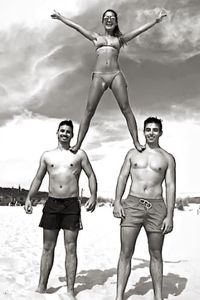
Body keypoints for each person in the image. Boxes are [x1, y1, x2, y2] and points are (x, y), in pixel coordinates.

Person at [51, 9, 167, 153]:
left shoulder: (120, 40)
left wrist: (155, 21)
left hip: (115, 75)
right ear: (103, 21)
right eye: (106, 17)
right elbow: (77, 27)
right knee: (88, 110)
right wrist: (61, 17)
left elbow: (139, 31)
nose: (109, 19)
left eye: (112, 17)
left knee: (126, 109)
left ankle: (136, 142)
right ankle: (78, 144)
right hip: (99, 75)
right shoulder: (95, 37)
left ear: (116, 21)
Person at [24, 119, 97, 300]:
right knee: (48, 247)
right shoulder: (47, 156)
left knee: (70, 248)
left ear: (72, 135)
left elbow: (91, 175)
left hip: (71, 205)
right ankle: (41, 287)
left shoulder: (79, 155)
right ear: (57, 133)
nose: (65, 134)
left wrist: (94, 196)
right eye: (62, 131)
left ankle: (71, 290)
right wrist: (28, 198)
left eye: (68, 132)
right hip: (52, 204)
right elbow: (38, 178)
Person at [113, 117, 176, 300]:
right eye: (148, 129)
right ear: (143, 131)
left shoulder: (167, 158)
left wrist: (169, 215)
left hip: (157, 207)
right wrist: (117, 201)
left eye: (155, 130)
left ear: (160, 133)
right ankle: (119, 297)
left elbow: (170, 186)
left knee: (156, 253)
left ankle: (158, 297)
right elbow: (122, 177)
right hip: (132, 204)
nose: (151, 132)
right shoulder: (133, 154)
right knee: (125, 252)